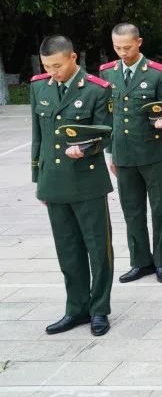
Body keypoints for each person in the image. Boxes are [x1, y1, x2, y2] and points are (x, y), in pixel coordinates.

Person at [31, 35, 114, 337]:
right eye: (47, 67)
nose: (53, 72)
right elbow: (38, 136)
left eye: (57, 66)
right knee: (67, 250)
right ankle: (75, 308)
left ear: (73, 58)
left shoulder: (96, 89)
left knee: (97, 247)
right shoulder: (39, 87)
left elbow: (107, 132)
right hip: (54, 181)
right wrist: (39, 179)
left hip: (87, 180)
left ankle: (100, 308)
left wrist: (87, 147)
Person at [98, 23, 162, 283]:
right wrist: (110, 152)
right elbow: (108, 116)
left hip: (153, 151)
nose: (123, 52)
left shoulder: (157, 73)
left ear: (139, 42)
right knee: (132, 210)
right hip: (123, 152)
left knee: (160, 208)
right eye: (117, 47)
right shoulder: (107, 73)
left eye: (127, 47)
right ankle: (140, 261)